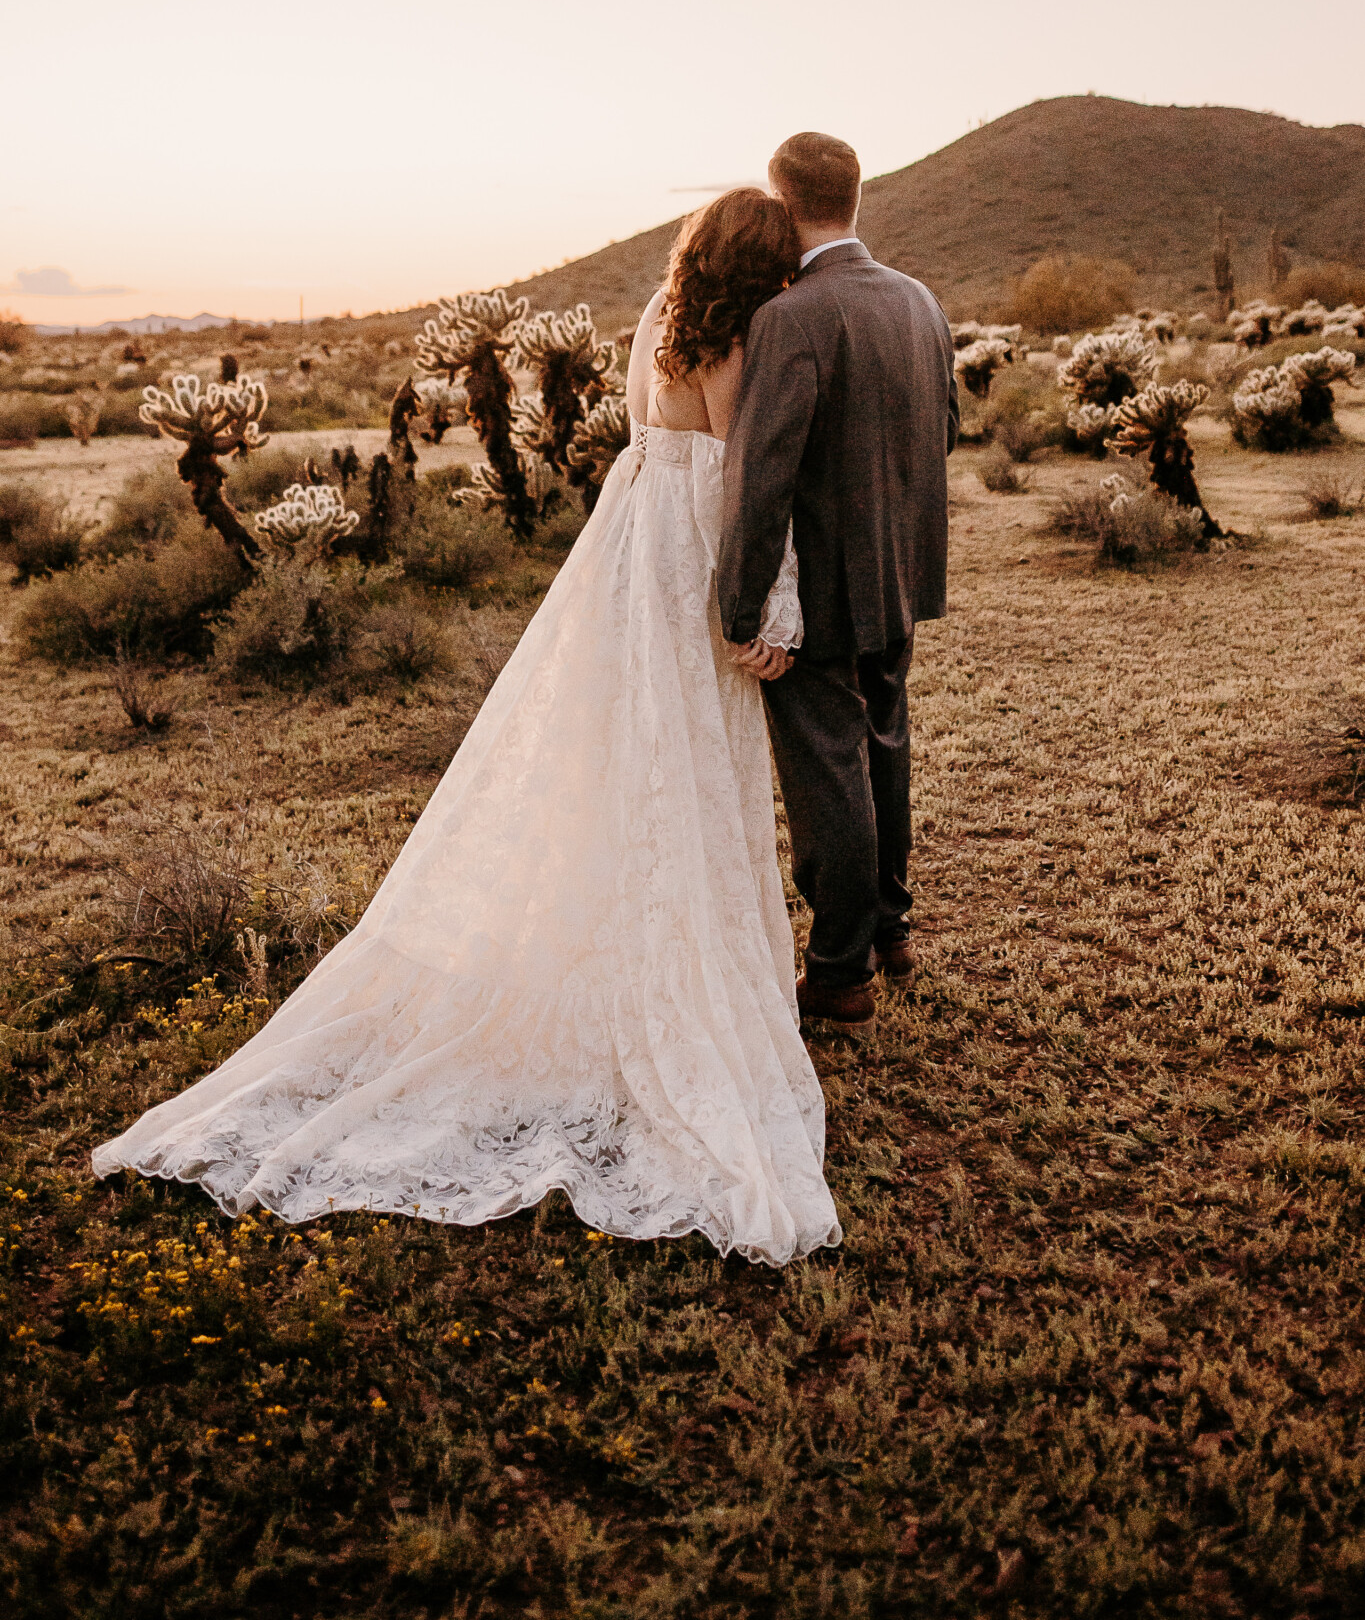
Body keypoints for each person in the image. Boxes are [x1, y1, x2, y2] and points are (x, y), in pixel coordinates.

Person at [93, 188, 841, 1268]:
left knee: (621, 755)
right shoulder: (742, 342)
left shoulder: (659, 315)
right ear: (767, 266)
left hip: (628, 556)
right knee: (689, 765)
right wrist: (772, 611)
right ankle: (674, 978)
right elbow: (737, 487)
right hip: (690, 566)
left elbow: (644, 450)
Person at [718, 133, 959, 1034]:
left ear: (783, 204)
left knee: (830, 778)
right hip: (901, 573)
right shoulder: (919, 299)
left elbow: (762, 476)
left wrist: (745, 610)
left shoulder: (791, 317)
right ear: (856, 195)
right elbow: (942, 430)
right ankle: (892, 929)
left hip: (820, 586)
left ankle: (838, 972)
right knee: (883, 747)